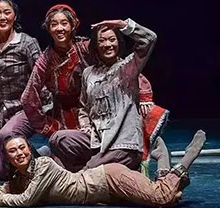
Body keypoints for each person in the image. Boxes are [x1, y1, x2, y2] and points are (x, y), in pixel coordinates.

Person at [0, 131, 206, 208]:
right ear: (8, 158)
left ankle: (186, 157)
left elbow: (26, 200)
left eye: (23, 148)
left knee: (162, 198)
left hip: (106, 178)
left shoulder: (44, 165)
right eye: (13, 151)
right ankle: (162, 165)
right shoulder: (20, 178)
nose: (20, 153)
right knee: (171, 198)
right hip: (105, 196)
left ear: (30, 149)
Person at [49, 19, 157, 172]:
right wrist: (85, 126)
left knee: (89, 172)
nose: (107, 44)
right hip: (97, 141)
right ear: (96, 46)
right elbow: (83, 107)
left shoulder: (128, 68)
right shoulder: (88, 73)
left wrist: (122, 24)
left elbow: (149, 39)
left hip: (123, 144)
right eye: (102, 41)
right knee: (58, 139)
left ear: (119, 43)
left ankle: (91, 172)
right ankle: (87, 171)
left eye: (112, 39)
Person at [0, 0, 52, 177]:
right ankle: (41, 155)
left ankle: (40, 164)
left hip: (26, 109)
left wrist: (46, 109)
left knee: (8, 133)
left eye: (7, 12)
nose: (2, 17)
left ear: (15, 16)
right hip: (2, 111)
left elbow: (41, 77)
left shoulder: (27, 43)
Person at [16, 4, 92, 140]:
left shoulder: (85, 48)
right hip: (63, 117)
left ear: (73, 26)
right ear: (48, 28)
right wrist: (47, 126)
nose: (59, 28)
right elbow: (28, 97)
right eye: (54, 24)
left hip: (93, 110)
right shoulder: (45, 60)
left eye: (64, 23)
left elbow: (114, 62)